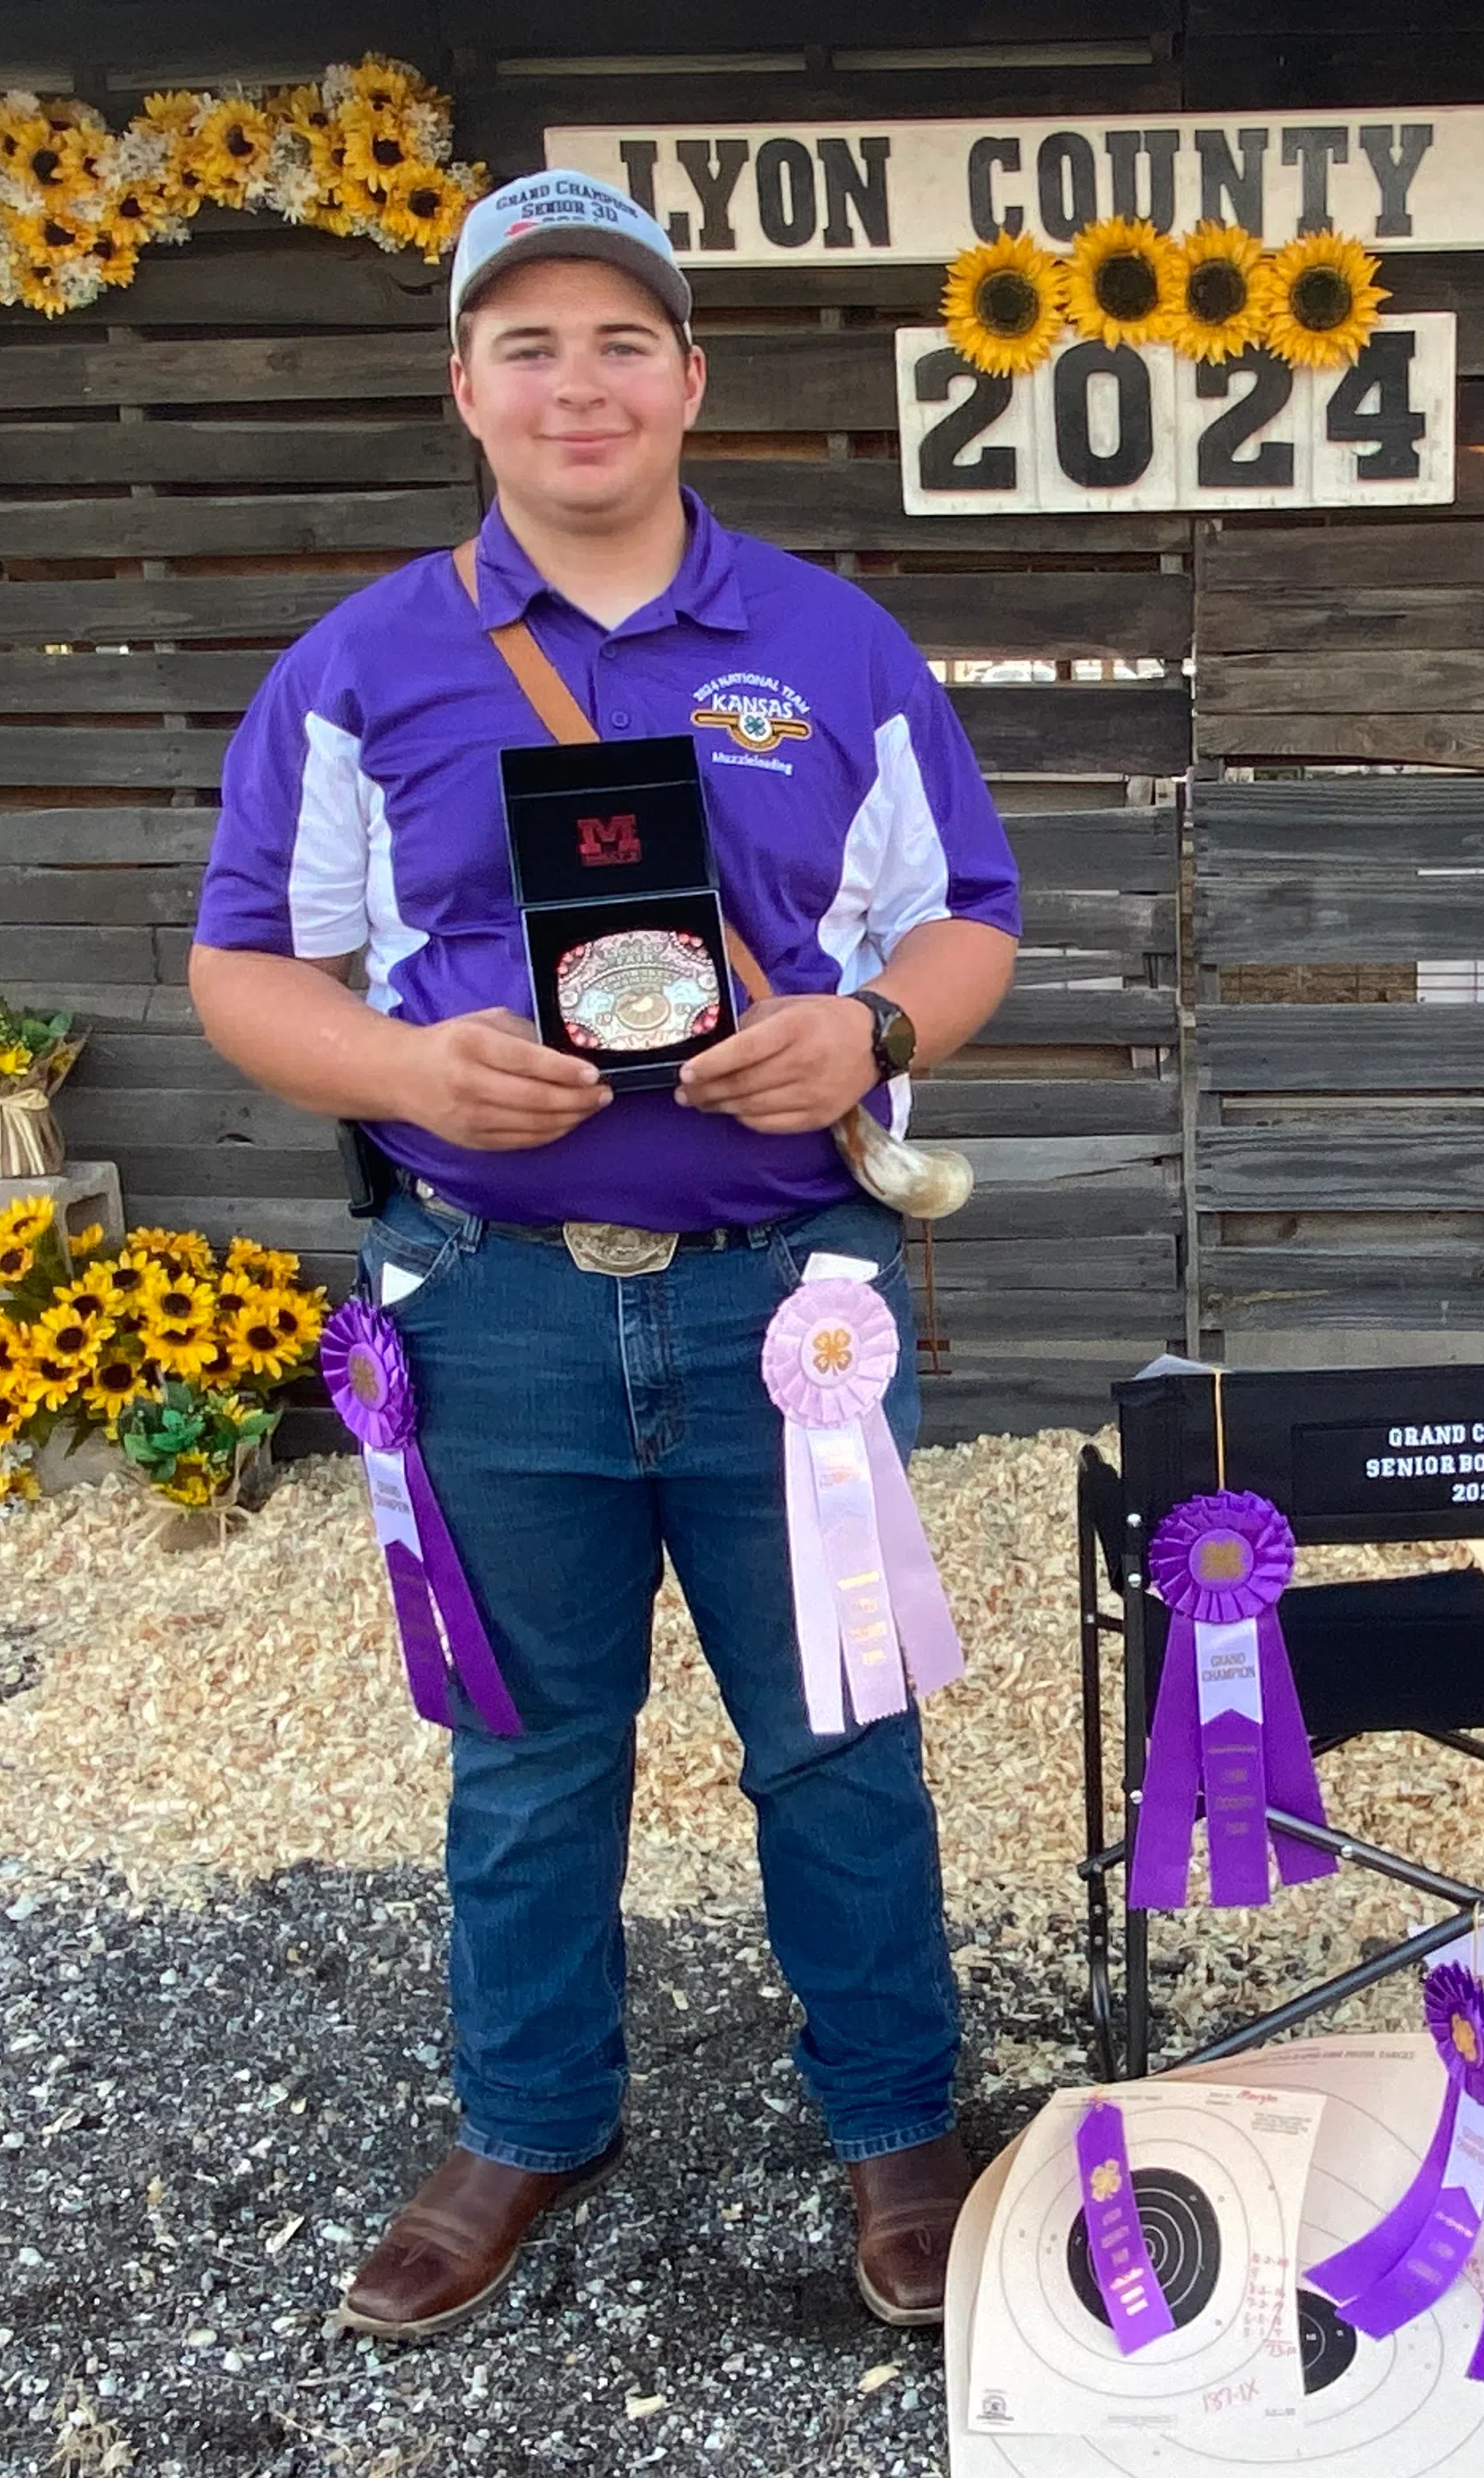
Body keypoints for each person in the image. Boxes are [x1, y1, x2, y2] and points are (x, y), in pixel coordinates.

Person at [188, 169, 1019, 2339]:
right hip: (492, 1308)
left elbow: (969, 919)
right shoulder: (363, 665)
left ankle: (898, 2123)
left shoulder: (836, 644)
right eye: (530, 342)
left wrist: (875, 1024)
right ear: (464, 382)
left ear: (690, 380)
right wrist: (404, 1072)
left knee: (841, 1737)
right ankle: (531, 2117)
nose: (580, 383)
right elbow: (246, 970)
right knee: (526, 1751)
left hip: (789, 1312)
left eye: (620, 339)